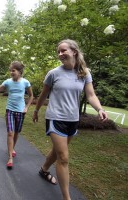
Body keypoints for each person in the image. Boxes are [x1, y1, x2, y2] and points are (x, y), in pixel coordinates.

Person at [32, 39, 108, 200]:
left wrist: (100, 109)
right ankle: (67, 198)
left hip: (73, 119)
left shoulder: (84, 73)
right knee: (63, 157)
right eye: (58, 51)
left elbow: (91, 95)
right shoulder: (53, 73)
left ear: (74, 51)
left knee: (58, 151)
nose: (60, 54)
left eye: (63, 50)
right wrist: (36, 110)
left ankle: (44, 169)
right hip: (55, 117)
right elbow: (43, 94)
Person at [0, 61, 34, 169]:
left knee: (17, 132)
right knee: (10, 133)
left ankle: (12, 148)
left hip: (20, 111)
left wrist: (26, 107)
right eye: (10, 70)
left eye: (13, 70)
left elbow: (32, 96)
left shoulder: (25, 82)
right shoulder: (8, 82)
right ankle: (10, 157)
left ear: (19, 71)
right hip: (9, 110)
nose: (11, 72)